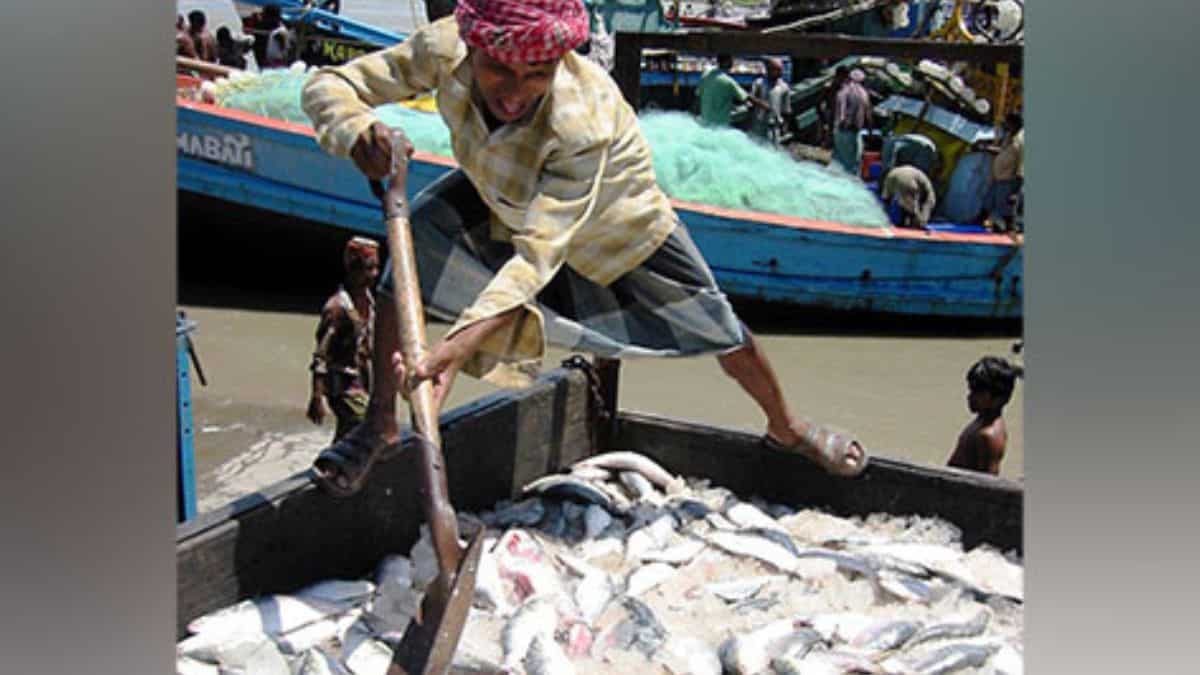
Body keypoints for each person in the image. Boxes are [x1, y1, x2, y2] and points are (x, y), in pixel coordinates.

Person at [299, 0, 870, 497]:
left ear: (557, 62)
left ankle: (787, 427)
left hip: (618, 225)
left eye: (536, 74)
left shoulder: (581, 120)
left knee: (722, 330)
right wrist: (356, 133)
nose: (514, 94)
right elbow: (329, 85)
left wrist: (452, 348)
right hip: (501, 190)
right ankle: (381, 425)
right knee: (413, 245)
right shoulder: (442, 47)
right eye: (498, 69)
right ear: (471, 47)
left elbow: (535, 260)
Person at [307, 238, 381, 442]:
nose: (374, 274)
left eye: (376, 267)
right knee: (364, 425)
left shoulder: (368, 299)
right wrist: (316, 397)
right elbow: (321, 356)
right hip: (342, 385)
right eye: (369, 268)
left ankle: (331, 460)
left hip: (362, 379)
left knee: (349, 433)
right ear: (354, 269)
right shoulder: (337, 308)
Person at [947, 356, 1022, 475]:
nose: (970, 396)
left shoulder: (989, 437)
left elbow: (988, 482)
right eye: (971, 389)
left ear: (998, 399)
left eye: (978, 392)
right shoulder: (982, 419)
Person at [695, 53, 772, 129]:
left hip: (706, 119)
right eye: (731, 60)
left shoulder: (706, 74)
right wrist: (764, 106)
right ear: (726, 62)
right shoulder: (729, 82)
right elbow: (747, 97)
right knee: (748, 109)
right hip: (720, 122)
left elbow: (698, 95)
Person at [979, 111, 1024, 231]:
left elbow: (1021, 164)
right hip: (998, 179)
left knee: (1004, 208)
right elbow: (1002, 151)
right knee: (988, 202)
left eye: (1008, 123)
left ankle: (1009, 228)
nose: (1005, 125)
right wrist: (986, 148)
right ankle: (982, 223)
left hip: (1008, 181)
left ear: (1014, 124)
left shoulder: (1020, 141)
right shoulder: (1008, 137)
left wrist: (1016, 188)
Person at [832, 67, 873, 175]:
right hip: (852, 132)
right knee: (852, 166)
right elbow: (868, 115)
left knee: (837, 162)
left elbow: (840, 110)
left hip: (840, 131)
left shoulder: (842, 91)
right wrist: (870, 132)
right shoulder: (863, 93)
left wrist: (839, 124)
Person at [749, 57, 792, 146]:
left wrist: (785, 127)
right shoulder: (758, 83)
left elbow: (786, 110)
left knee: (772, 150)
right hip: (758, 125)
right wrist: (761, 104)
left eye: (780, 70)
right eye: (777, 70)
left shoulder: (784, 87)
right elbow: (750, 99)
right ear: (769, 69)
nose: (780, 72)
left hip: (774, 127)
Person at [881, 164, 936, 229]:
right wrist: (923, 219)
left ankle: (901, 223)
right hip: (910, 181)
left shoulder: (890, 175)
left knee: (904, 203)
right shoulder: (929, 193)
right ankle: (917, 224)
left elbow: (886, 198)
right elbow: (928, 204)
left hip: (896, 176)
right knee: (912, 209)